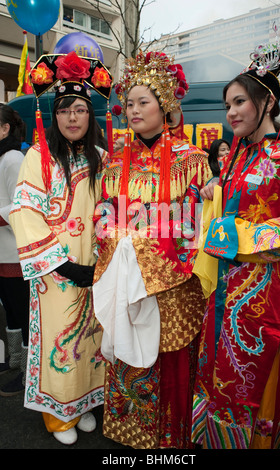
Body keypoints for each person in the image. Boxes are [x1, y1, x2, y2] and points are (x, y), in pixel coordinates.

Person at [92, 50, 212, 449]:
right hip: (128, 285)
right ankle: (132, 436)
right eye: (129, 103)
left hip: (172, 289)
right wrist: (118, 239)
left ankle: (171, 442)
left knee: (171, 362)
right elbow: (102, 218)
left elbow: (195, 227)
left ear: (165, 106)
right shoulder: (114, 163)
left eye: (144, 101)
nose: (134, 109)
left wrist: (139, 242)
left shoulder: (192, 161)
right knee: (130, 359)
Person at [192, 32, 280, 449]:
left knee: (258, 383)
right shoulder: (238, 154)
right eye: (228, 104)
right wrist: (215, 194)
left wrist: (244, 237)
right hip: (225, 291)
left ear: (268, 102)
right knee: (219, 374)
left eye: (240, 102)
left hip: (268, 295)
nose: (231, 112)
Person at [9, 51, 113, 445]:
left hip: (95, 268)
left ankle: (84, 404)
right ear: (54, 115)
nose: (72, 117)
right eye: (65, 109)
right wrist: (63, 265)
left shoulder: (102, 158)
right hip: (55, 272)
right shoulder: (39, 156)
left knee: (93, 338)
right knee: (59, 339)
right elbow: (25, 213)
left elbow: (113, 210)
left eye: (80, 109)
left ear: (90, 116)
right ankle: (57, 415)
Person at [0, 104, 30, 396]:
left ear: (5, 128)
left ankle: (27, 374)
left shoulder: (12, 158)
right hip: (2, 250)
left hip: (14, 251)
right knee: (10, 311)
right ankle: (15, 361)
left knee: (22, 313)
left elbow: (18, 203)